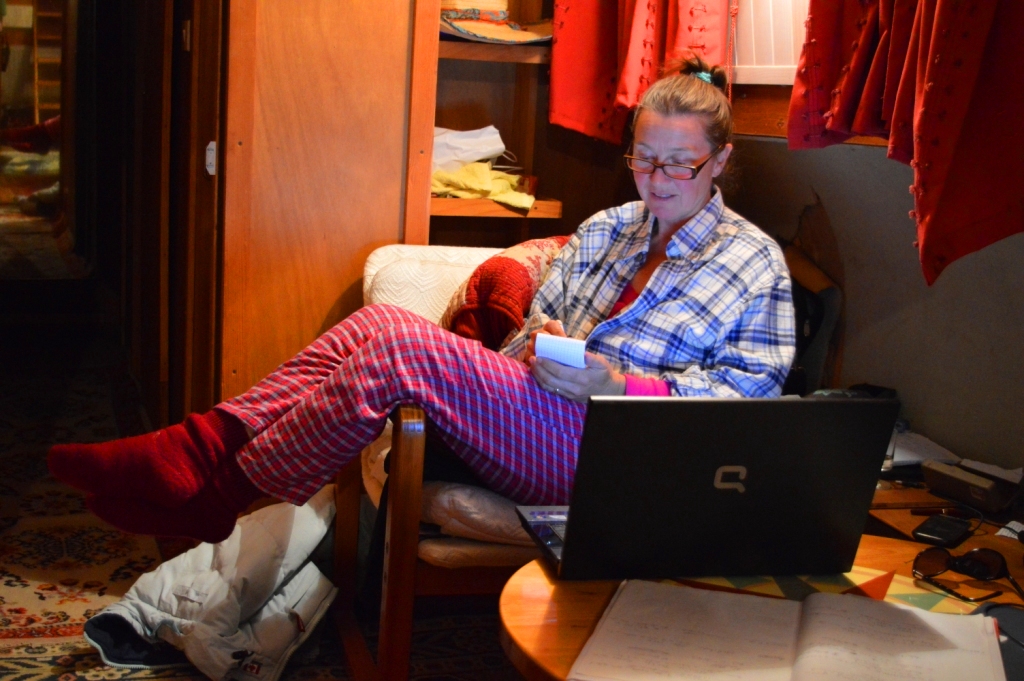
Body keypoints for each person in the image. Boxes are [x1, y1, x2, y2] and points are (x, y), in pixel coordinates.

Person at [48, 55, 796, 544]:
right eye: (643, 159)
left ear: (721, 159)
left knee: (406, 349)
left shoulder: (754, 263)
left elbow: (741, 413)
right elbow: (543, 315)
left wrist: (618, 383)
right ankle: (199, 450)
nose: (657, 180)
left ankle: (216, 494)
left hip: (624, 455)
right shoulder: (607, 229)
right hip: (538, 411)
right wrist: (547, 336)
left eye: (679, 163)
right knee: (379, 322)